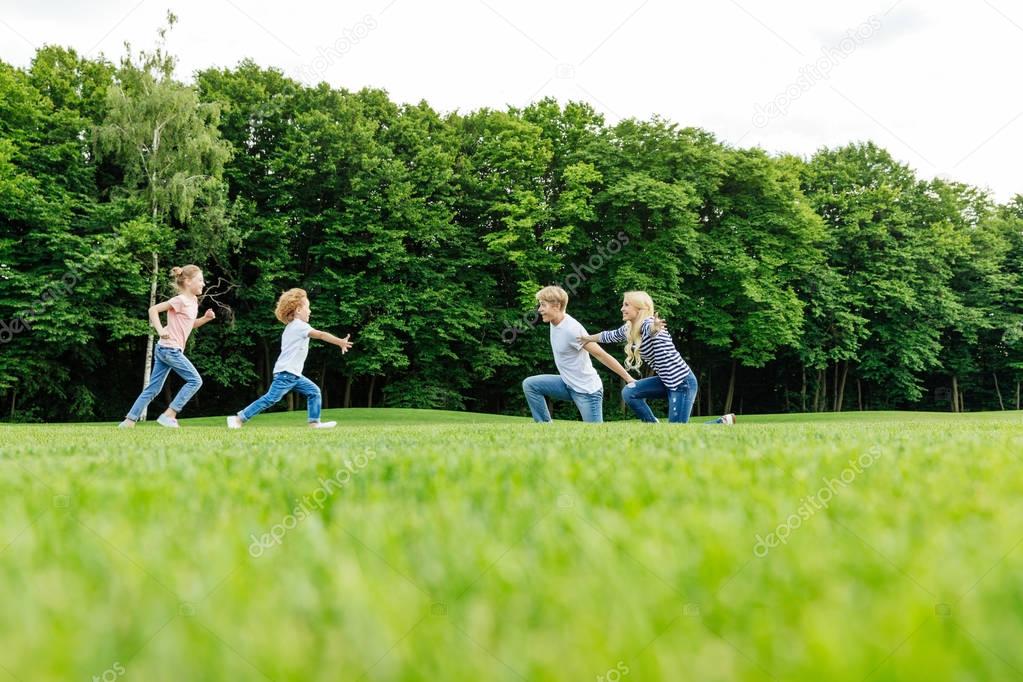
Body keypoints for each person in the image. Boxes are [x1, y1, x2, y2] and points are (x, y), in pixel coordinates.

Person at [578, 290, 735, 424]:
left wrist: (655, 328)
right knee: (629, 392)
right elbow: (609, 336)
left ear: (639, 308)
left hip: (682, 383)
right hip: (665, 381)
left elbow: (651, 330)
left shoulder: (648, 323)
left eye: (626, 305)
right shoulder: (630, 328)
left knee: (677, 431)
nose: (622, 308)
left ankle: (722, 422)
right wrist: (587, 338)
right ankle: (653, 425)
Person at [227, 288, 353, 429]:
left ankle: (314, 423)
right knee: (270, 399)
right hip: (287, 373)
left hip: (293, 374)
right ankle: (239, 419)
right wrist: (340, 342)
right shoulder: (300, 326)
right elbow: (321, 335)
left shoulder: (291, 327)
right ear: (298, 310)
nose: (310, 311)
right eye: (308, 308)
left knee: (314, 391)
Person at [119, 265, 216, 428]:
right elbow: (153, 309)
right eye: (200, 280)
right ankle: (169, 415)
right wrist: (160, 330)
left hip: (165, 349)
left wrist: (205, 318)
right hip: (169, 349)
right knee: (195, 380)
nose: (203, 284)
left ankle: (128, 421)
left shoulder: (192, 301)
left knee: (153, 389)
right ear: (187, 281)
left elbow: (189, 324)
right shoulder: (179, 300)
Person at [522, 285, 636, 423]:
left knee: (595, 437)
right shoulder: (554, 321)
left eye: (543, 305)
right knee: (530, 385)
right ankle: (544, 427)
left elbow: (601, 355)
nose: (539, 310)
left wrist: (628, 378)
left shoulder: (572, 330)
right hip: (567, 384)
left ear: (556, 306)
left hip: (587, 391)